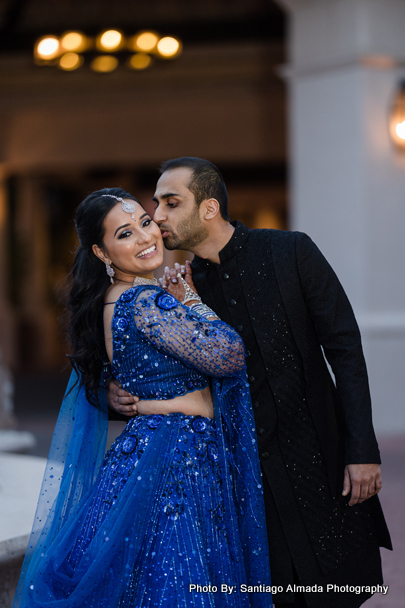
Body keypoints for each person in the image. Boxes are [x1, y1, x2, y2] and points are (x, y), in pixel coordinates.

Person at [109, 158, 392, 608]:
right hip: (242, 481)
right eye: (156, 203)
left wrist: (363, 451)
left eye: (171, 202)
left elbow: (346, 350)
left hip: (319, 460)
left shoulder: (290, 252)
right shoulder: (180, 290)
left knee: (338, 588)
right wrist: (113, 394)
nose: (158, 215)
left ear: (209, 208)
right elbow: (147, 367)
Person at [12, 188, 272, 608]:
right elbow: (228, 355)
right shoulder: (144, 302)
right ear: (101, 252)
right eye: (125, 234)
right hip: (175, 458)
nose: (145, 238)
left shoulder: (114, 301)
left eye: (146, 224)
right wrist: (190, 299)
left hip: (151, 451)